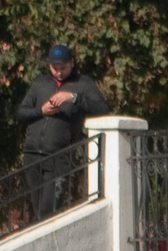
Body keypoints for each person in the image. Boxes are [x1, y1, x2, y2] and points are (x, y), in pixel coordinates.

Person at [15, 44, 112, 218]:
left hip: (59, 156)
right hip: (32, 154)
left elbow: (102, 109)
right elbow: (21, 113)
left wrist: (73, 98)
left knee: (48, 210)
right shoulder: (40, 84)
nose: (59, 72)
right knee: (37, 211)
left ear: (72, 63)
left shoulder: (82, 84)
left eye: (63, 68)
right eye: (55, 68)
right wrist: (41, 111)